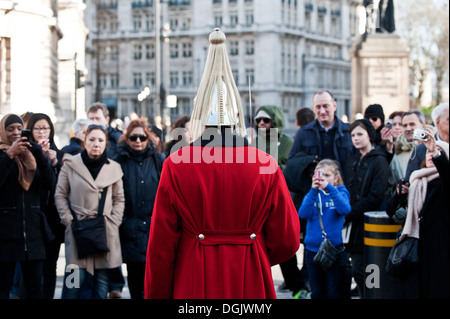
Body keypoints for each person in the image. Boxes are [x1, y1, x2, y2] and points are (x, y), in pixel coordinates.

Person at [144, 28, 300, 299]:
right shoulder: (266, 165)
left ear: (201, 113)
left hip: (192, 276)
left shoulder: (176, 164)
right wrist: (252, 248)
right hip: (250, 273)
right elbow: (287, 239)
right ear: (237, 113)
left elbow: (161, 246)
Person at [54, 124, 125, 299]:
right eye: (92, 139)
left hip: (105, 231)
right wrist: (68, 219)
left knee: (101, 284)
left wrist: (114, 221)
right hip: (78, 229)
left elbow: (119, 199)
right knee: (73, 284)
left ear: (106, 143)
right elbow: (60, 194)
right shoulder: (70, 164)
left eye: (100, 140)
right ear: (85, 141)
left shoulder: (114, 168)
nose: (96, 143)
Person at [0, 114, 56, 299]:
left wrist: (40, 155)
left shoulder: (31, 155)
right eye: (10, 129)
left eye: (19, 128)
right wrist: (9, 154)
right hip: (5, 233)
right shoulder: (2, 155)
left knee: (35, 288)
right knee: (3, 287)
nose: (16, 133)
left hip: (33, 231)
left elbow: (49, 183)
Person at [113, 119, 165, 299]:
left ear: (148, 138)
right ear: (127, 139)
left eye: (142, 137)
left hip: (154, 229)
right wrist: (124, 222)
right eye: (133, 137)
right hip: (130, 229)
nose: (138, 141)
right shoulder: (119, 162)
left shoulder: (158, 160)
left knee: (155, 281)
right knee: (136, 283)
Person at [398, 132, 448, 299]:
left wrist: (438, 156)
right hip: (414, 249)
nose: (431, 155)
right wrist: (398, 194)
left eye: (436, 152)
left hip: (438, 248)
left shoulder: (442, 181)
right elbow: (394, 213)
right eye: (428, 152)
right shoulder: (416, 180)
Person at [343, 119, 389, 299]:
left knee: (370, 272)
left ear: (370, 135)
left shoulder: (379, 160)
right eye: (353, 135)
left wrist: (350, 212)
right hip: (354, 226)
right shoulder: (352, 159)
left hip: (371, 225)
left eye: (360, 134)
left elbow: (376, 196)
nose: (356, 138)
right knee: (357, 269)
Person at [298, 159, 351, 299]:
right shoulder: (312, 194)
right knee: (317, 291)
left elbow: (345, 209)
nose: (323, 179)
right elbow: (302, 214)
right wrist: (313, 190)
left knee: (333, 291)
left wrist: (330, 188)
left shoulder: (340, 192)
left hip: (333, 250)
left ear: (336, 178)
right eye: (320, 175)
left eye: (327, 175)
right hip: (312, 251)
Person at [26, 113, 65, 299]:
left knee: (50, 266)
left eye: (46, 128)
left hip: (52, 218)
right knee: (32, 269)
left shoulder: (60, 154)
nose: (42, 132)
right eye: (38, 128)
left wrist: (54, 162)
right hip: (32, 217)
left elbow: (59, 186)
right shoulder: (25, 153)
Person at [289, 90, 355, 173]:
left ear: (334, 106)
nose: (322, 111)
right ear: (313, 108)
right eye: (318, 107)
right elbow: (292, 162)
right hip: (314, 184)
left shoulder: (349, 131)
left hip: (343, 184)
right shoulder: (303, 133)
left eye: (325, 106)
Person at [254, 105, 293, 172]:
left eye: (266, 120)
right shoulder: (255, 141)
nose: (261, 123)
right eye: (258, 120)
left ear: (276, 121)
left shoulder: (287, 142)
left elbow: (292, 168)